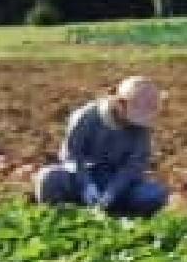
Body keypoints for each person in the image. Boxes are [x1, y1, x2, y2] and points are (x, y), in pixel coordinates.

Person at [32, 76, 169, 218]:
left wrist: (111, 193)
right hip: (80, 177)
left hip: (115, 181)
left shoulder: (141, 128)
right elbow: (72, 156)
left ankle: (115, 213)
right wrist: (86, 185)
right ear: (119, 103)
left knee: (155, 193)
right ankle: (59, 215)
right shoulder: (86, 116)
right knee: (48, 177)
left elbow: (133, 166)